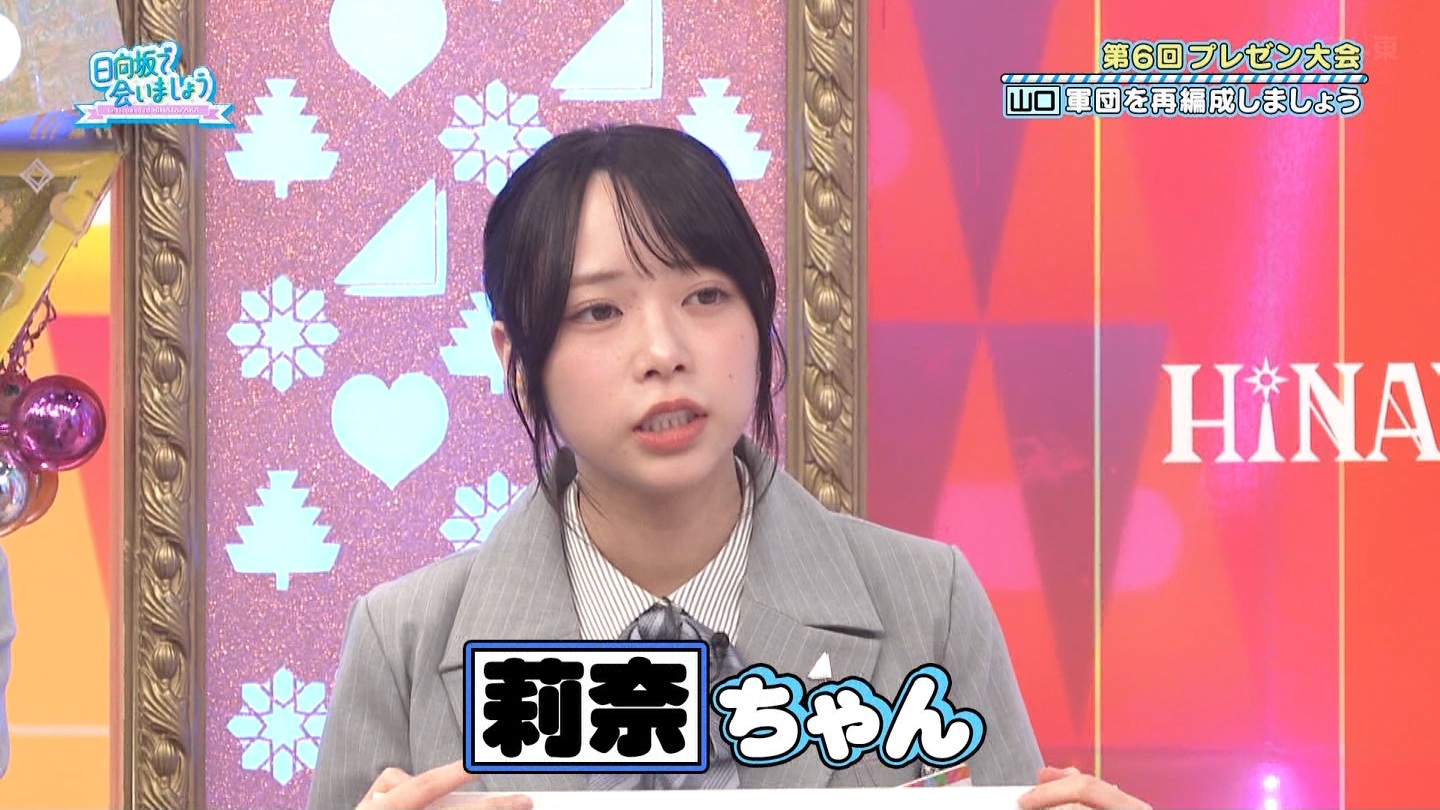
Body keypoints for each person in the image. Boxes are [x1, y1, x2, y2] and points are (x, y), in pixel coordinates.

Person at [307, 125, 1150, 810]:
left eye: (705, 296)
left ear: (760, 314)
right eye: (598, 311)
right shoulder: (403, 639)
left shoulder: (930, 601)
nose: (663, 351)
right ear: (517, 362)